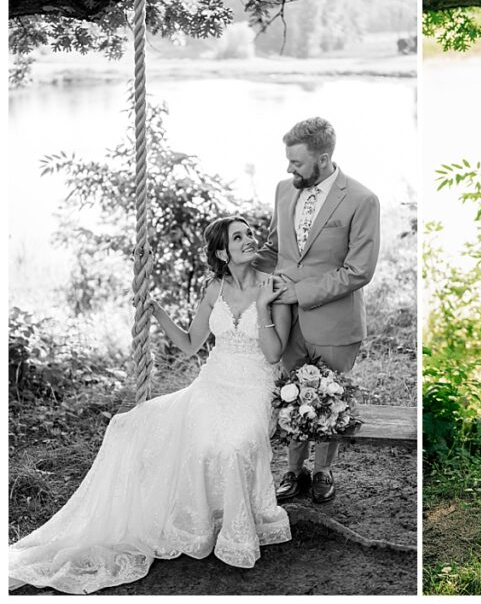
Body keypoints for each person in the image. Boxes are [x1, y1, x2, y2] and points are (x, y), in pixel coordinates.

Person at [9, 217, 292, 594]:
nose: (249, 240)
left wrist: (262, 307)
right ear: (223, 252)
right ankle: (200, 522)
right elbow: (192, 344)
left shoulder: (273, 287)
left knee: (234, 445)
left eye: (250, 234)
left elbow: (274, 356)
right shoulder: (214, 288)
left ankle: (238, 532)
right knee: (136, 426)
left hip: (254, 386)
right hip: (211, 384)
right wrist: (156, 312)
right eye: (238, 237)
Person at [254, 117, 380, 506]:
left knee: (330, 399)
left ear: (323, 159)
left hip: (335, 322)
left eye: (297, 162)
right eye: (288, 160)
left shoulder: (362, 200)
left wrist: (300, 293)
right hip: (286, 322)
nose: (288, 169)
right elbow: (276, 251)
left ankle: (324, 470)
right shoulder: (282, 190)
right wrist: (230, 264)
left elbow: (359, 271)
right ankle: (293, 471)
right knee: (289, 392)